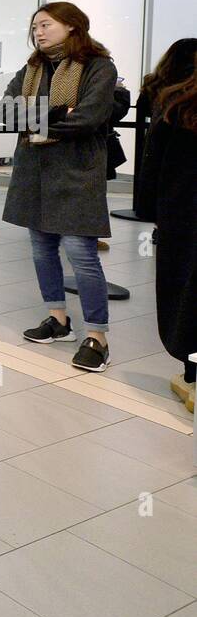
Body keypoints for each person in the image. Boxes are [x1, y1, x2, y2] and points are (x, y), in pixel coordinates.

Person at [2, 1, 118, 372]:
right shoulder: (32, 67)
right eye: (34, 25)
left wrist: (36, 117)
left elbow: (88, 118)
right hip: (34, 169)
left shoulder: (98, 66)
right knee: (41, 249)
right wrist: (56, 115)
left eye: (45, 24)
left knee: (81, 254)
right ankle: (58, 319)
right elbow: (7, 112)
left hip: (76, 171)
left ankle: (97, 336)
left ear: (72, 26)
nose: (37, 31)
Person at [136, 39, 197, 414]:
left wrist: (148, 210)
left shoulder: (176, 105)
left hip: (183, 215)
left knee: (185, 293)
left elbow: (153, 165)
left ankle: (192, 377)